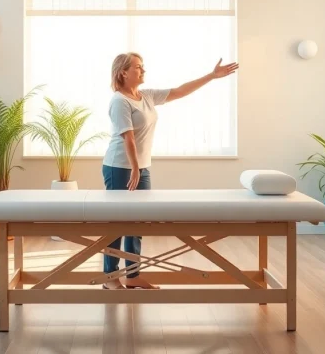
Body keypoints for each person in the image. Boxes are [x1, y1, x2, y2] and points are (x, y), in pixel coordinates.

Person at [101, 52, 239, 290]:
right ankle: (109, 278)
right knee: (118, 223)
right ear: (123, 72)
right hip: (120, 167)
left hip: (140, 167)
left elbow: (179, 91)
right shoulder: (119, 101)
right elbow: (128, 138)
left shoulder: (145, 96)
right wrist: (134, 168)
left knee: (138, 223)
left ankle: (132, 276)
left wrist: (211, 76)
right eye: (138, 67)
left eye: (143, 67)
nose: (143, 71)